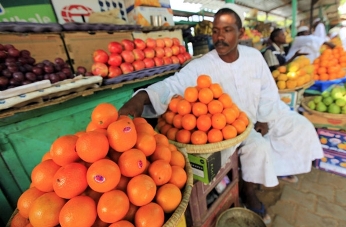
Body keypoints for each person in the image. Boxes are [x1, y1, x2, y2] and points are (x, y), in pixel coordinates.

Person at [118, 3, 323, 224]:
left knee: (300, 126)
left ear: (240, 33)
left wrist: (263, 116)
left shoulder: (254, 56)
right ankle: (249, 192)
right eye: (215, 31)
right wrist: (142, 97)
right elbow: (173, 84)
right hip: (225, 126)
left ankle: (282, 166)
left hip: (260, 113)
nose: (219, 37)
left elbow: (267, 89)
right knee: (257, 146)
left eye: (227, 30)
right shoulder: (202, 65)